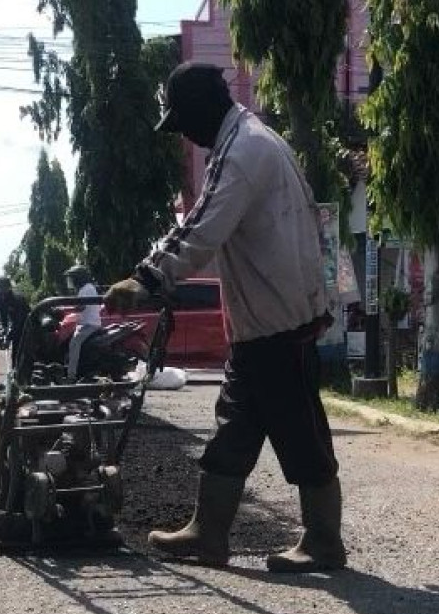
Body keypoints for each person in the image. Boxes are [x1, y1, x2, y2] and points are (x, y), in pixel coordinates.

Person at [103, 62, 344, 573]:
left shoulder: (244, 152)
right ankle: (207, 535)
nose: (185, 135)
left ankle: (324, 540)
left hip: (281, 321)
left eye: (183, 122)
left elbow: (201, 227)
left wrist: (146, 279)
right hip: (263, 321)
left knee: (301, 433)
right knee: (232, 431)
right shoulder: (250, 141)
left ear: (203, 109)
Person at [63, 264, 101, 381]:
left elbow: (80, 307)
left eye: (73, 278)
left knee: (74, 343)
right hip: (85, 323)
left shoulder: (86, 289)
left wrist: (63, 309)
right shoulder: (86, 288)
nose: (72, 281)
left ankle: (71, 376)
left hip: (89, 324)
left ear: (79, 278)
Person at [0, 276, 30, 366]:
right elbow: (3, 314)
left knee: (20, 350)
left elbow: (19, 321)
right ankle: (15, 370)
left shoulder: (17, 299)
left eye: (4, 289)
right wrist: (4, 330)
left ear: (9, 288)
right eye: (0, 289)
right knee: (15, 352)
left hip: (26, 324)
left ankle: (20, 370)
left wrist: (9, 337)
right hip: (15, 322)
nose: (2, 292)